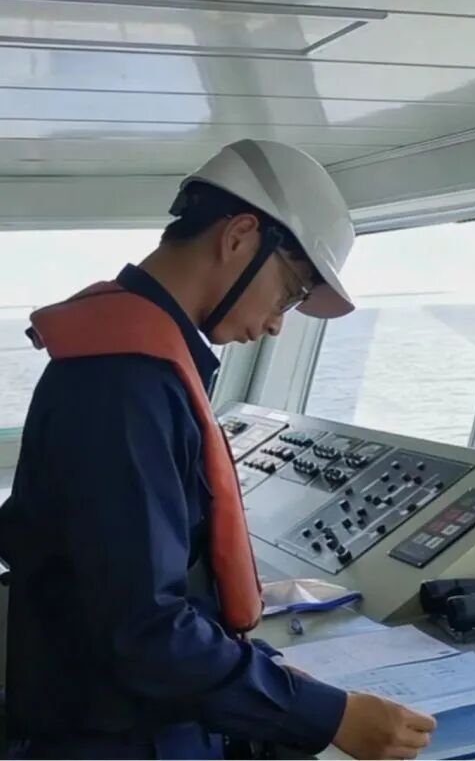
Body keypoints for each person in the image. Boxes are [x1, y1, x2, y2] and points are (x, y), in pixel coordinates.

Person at [0, 139, 436, 760]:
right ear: (238, 237)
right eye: (290, 291)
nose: (279, 321)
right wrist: (329, 716)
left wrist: (264, 679)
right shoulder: (124, 386)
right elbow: (144, 629)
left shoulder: (137, 366)